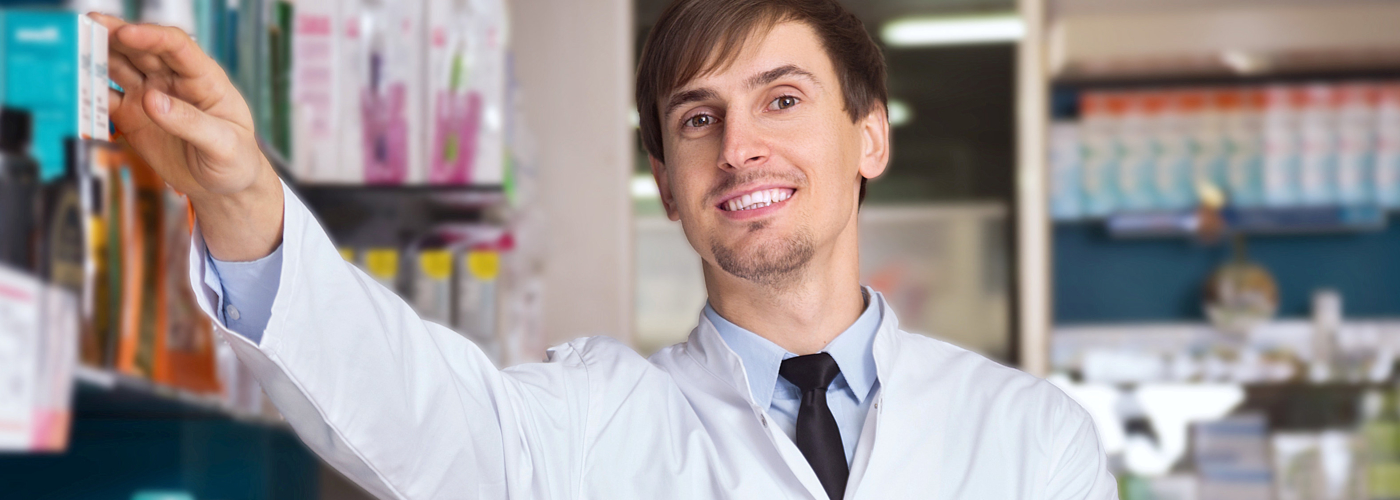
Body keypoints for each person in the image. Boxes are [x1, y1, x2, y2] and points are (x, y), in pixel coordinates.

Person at [93, 0, 1115, 497]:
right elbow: (409, 406)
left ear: (870, 137)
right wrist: (242, 200)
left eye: (784, 100)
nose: (740, 145)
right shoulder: (588, 426)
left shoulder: (1029, 438)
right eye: (696, 119)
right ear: (666, 186)